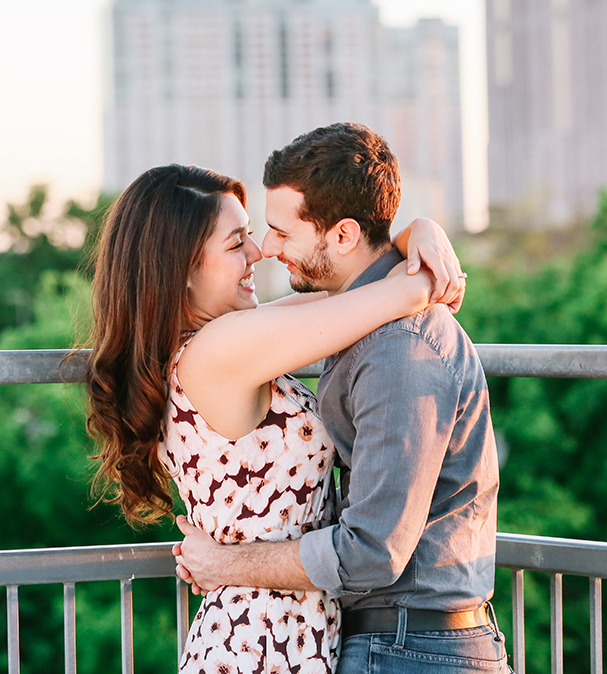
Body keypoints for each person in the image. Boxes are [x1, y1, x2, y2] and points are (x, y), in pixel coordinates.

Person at [85, 162, 465, 673]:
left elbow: (356, 285)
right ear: (184, 268)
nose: (258, 251)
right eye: (236, 241)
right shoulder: (219, 349)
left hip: (275, 634)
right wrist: (427, 245)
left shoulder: (215, 345)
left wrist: (422, 230)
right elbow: (406, 290)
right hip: (261, 642)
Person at [174, 124, 507, 673]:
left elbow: (372, 551)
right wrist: (418, 247)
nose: (267, 249)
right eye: (247, 239)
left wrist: (228, 564)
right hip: (384, 641)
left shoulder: (399, 346)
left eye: (279, 231)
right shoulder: (353, 320)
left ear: (344, 235)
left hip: (411, 648)